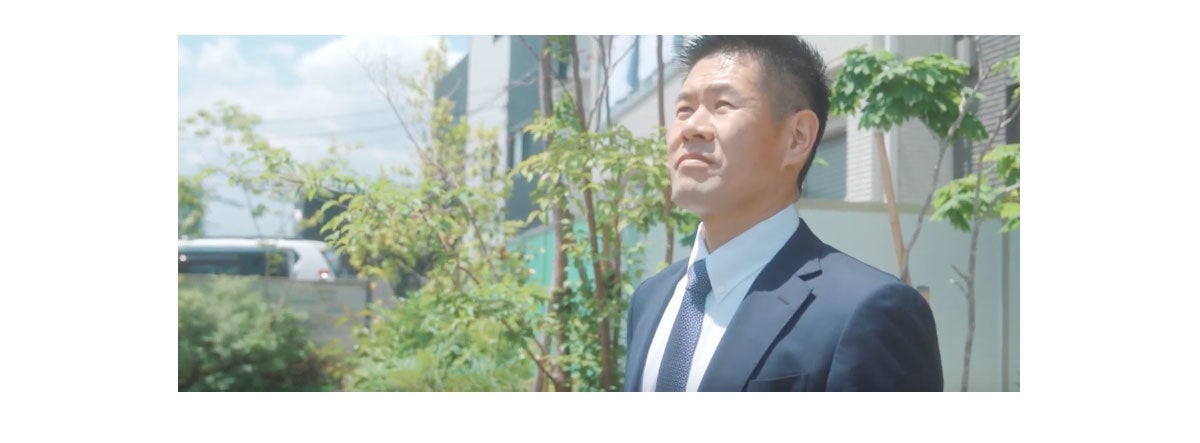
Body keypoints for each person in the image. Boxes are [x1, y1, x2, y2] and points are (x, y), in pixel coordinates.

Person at [624, 35, 943, 392]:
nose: (690, 128)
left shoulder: (869, 311)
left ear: (797, 137)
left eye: (722, 105)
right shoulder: (650, 299)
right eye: (684, 109)